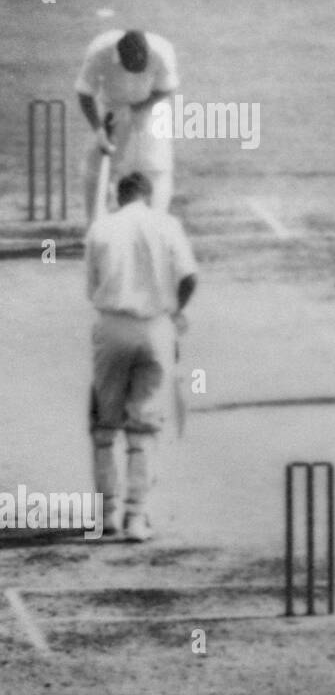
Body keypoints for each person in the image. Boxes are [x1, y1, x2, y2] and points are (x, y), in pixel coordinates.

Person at [86, 172, 197, 541]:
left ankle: (107, 515)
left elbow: (93, 288)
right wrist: (176, 311)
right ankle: (137, 517)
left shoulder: (101, 228)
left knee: (104, 426)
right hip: (155, 328)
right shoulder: (166, 224)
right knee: (145, 425)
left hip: (112, 327)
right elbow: (189, 277)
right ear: (148, 197)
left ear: (119, 197)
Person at [75, 28, 181, 220]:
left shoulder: (162, 51)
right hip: (111, 106)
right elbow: (85, 92)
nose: (139, 68)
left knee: (156, 166)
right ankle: (95, 225)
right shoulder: (100, 51)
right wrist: (99, 132)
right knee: (95, 169)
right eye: (133, 65)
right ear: (121, 57)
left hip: (151, 107)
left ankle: (155, 224)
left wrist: (136, 109)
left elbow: (167, 88)